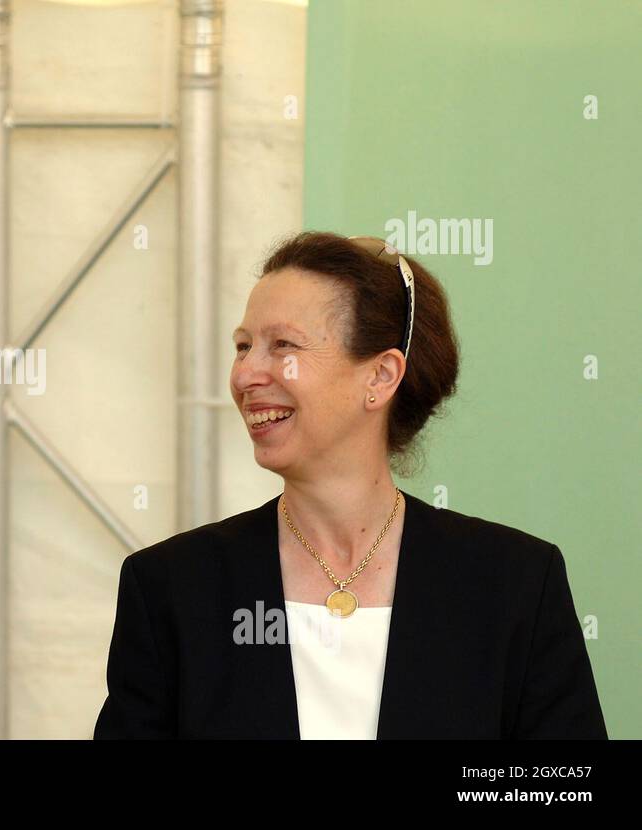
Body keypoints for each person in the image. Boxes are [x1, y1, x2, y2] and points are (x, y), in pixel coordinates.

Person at [94, 231, 607, 739]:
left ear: (381, 377)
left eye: (283, 346)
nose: (246, 373)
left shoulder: (514, 584)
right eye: (243, 346)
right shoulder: (171, 587)